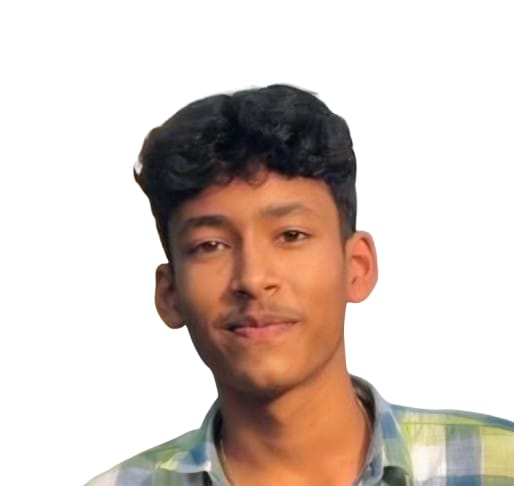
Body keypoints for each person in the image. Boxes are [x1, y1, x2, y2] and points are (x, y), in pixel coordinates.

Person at [86, 85, 514, 486]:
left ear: (357, 267)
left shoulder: (498, 466)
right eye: (210, 245)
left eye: (291, 235)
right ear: (170, 294)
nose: (253, 279)